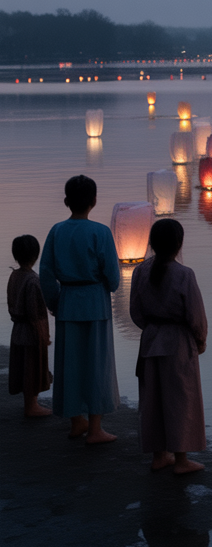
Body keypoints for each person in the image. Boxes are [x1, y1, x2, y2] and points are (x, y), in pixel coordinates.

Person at [39, 175, 121, 443]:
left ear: (66, 201)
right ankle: (95, 427)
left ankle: (76, 421)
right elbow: (113, 276)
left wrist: (54, 303)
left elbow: (47, 274)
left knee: (70, 363)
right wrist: (107, 286)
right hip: (95, 301)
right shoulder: (101, 232)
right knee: (96, 363)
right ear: (94, 201)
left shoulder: (56, 231)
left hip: (68, 302)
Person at [129, 219, 208, 474]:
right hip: (177, 342)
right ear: (178, 244)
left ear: (151, 243)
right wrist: (200, 340)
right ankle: (181, 459)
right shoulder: (184, 274)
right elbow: (196, 316)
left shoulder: (140, 271)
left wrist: (151, 329)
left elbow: (135, 312)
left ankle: (159, 456)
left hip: (151, 339)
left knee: (153, 399)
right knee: (180, 399)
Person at [7, 235, 52, 417]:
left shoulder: (14, 275)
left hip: (17, 329)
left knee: (22, 365)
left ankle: (30, 403)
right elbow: (36, 314)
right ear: (36, 255)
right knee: (31, 367)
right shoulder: (33, 281)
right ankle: (31, 405)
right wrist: (43, 336)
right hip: (30, 331)